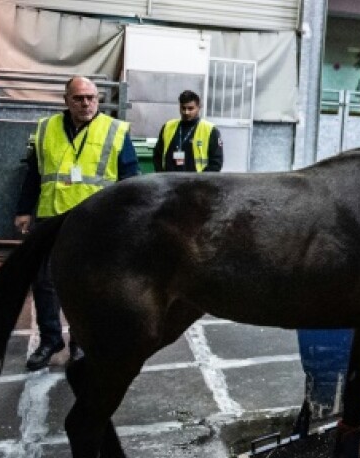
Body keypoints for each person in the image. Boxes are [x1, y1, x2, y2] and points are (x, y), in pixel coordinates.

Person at [14, 76, 140, 370]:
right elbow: (33, 174)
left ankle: (80, 343)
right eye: (79, 98)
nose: (86, 103)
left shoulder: (115, 130)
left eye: (91, 98)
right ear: (66, 100)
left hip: (96, 223)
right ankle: (50, 340)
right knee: (45, 283)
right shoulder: (46, 129)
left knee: (89, 286)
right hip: (51, 218)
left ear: (98, 99)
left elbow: (131, 181)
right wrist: (23, 210)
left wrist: (129, 223)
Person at [153, 90, 223, 173]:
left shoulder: (210, 130)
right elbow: (157, 155)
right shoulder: (168, 127)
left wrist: (201, 181)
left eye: (190, 108)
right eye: (183, 108)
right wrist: (161, 176)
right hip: (170, 182)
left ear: (198, 107)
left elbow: (216, 163)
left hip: (196, 183)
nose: (186, 112)